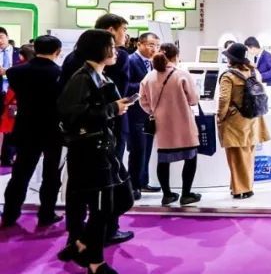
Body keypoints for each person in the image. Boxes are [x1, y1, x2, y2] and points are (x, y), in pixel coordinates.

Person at [57, 29, 135, 274]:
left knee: (121, 199)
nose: (116, 50)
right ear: (98, 48)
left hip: (103, 148)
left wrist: (115, 107)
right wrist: (112, 109)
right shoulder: (82, 78)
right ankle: (95, 262)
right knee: (101, 208)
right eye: (111, 45)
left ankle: (80, 244)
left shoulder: (99, 75)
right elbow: (71, 115)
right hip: (90, 152)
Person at [1, 35, 64, 228]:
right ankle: (46, 214)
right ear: (58, 52)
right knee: (51, 175)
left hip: (26, 126)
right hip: (53, 129)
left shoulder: (16, 72)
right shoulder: (60, 74)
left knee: (20, 173)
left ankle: (10, 214)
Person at [139, 43, 201, 207]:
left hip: (162, 126)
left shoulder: (148, 77)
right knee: (190, 158)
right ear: (176, 56)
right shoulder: (182, 75)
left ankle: (167, 195)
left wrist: (153, 110)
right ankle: (186, 194)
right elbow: (194, 99)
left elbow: (142, 101)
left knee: (163, 160)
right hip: (184, 124)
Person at [217, 43, 271, 199]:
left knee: (236, 156)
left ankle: (242, 189)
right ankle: (244, 186)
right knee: (248, 154)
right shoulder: (254, 72)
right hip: (253, 119)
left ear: (231, 59)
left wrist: (220, 116)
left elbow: (224, 100)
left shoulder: (228, 76)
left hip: (235, 120)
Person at [123, 32, 161, 199]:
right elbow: (125, 85)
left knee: (146, 149)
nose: (155, 49)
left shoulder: (153, 62)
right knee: (137, 150)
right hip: (134, 113)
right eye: (151, 45)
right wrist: (144, 86)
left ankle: (142, 181)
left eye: (157, 46)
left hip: (149, 113)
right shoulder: (130, 60)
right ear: (139, 44)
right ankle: (133, 185)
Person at [0, 27, 23, 167]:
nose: (0, 40)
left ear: (7, 37)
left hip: (14, 95)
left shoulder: (19, 52)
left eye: (1, 37)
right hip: (0, 93)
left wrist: (7, 71)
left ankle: (9, 156)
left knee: (12, 126)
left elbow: (24, 70)